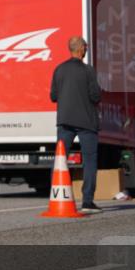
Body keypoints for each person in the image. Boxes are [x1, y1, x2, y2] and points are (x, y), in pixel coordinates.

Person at [49, 35, 101, 213]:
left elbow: (53, 97)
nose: (86, 49)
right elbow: (96, 96)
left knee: (60, 160)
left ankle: (56, 196)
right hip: (86, 122)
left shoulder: (59, 69)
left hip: (64, 121)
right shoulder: (88, 71)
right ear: (81, 49)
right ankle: (87, 201)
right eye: (85, 47)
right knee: (89, 161)